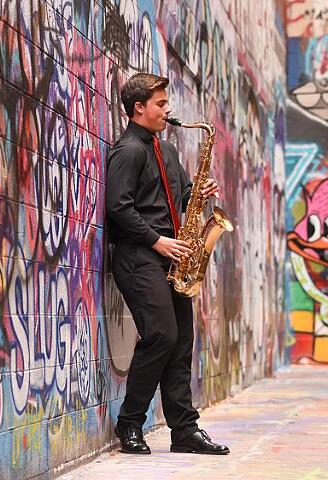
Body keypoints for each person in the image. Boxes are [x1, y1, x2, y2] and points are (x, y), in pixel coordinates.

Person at [106, 73, 229, 455]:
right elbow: (118, 207)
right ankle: (129, 423)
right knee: (161, 335)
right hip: (140, 257)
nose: (167, 110)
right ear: (138, 108)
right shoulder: (128, 151)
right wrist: (157, 241)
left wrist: (199, 191)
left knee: (181, 343)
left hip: (172, 257)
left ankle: (184, 431)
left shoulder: (166, 151)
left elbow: (179, 196)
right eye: (160, 104)